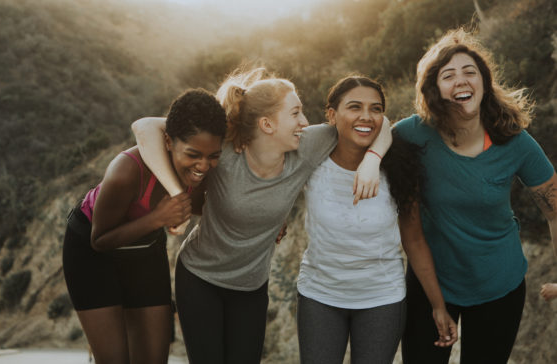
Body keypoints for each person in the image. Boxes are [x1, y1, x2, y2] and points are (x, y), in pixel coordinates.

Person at [131, 67, 392, 364]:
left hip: (251, 288)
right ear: (267, 124)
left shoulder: (307, 146)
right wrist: (178, 194)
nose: (305, 122)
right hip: (200, 278)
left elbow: (376, 124)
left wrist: (372, 160)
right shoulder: (225, 150)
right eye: (295, 114)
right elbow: (144, 127)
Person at [396, 30, 557, 363]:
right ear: (434, 88)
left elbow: (555, 210)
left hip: (499, 284)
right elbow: (366, 135)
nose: (461, 80)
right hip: (431, 283)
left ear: (484, 82)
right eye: (448, 75)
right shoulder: (412, 134)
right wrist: (370, 162)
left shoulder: (514, 140)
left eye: (470, 71)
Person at [296, 76, 457, 364]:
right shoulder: (312, 157)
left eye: (376, 108)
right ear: (332, 115)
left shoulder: (399, 168)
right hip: (319, 295)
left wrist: (438, 305)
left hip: (381, 299)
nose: (366, 117)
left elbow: (415, 240)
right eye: (354, 107)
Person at [62, 89, 227, 364]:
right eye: (193, 154)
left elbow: (213, 205)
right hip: (91, 254)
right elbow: (99, 240)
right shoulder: (127, 170)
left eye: (213, 156)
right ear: (168, 142)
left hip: (145, 250)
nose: (203, 165)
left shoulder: (202, 173)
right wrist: (157, 219)